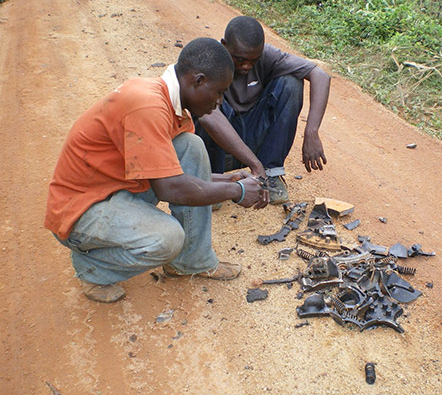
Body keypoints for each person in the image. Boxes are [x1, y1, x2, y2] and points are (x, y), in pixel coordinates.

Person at [45, 38, 267, 303]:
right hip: (82, 209)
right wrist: (236, 191)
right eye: (218, 92)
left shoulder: (172, 105)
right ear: (197, 81)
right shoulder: (149, 106)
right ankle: (94, 269)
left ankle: (191, 261)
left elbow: (180, 175)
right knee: (168, 239)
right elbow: (170, 188)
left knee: (190, 146)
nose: (219, 102)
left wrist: (230, 179)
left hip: (116, 190)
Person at [194, 16, 331, 204]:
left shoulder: (266, 56)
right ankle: (213, 181)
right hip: (219, 147)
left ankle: (270, 176)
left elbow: (320, 75)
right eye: (239, 59)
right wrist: (255, 164)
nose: (246, 66)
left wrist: (312, 131)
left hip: (251, 140)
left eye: (253, 60)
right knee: (204, 105)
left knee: (291, 83)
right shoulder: (208, 60)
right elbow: (209, 118)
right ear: (224, 45)